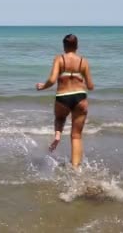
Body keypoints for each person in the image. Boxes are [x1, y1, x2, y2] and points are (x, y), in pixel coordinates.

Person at [36, 34, 94, 168]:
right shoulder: (83, 62)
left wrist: (43, 86)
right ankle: (75, 168)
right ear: (77, 46)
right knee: (76, 136)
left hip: (63, 96)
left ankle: (57, 135)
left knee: (60, 118)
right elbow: (90, 86)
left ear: (64, 46)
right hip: (80, 97)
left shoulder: (59, 59)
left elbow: (51, 80)